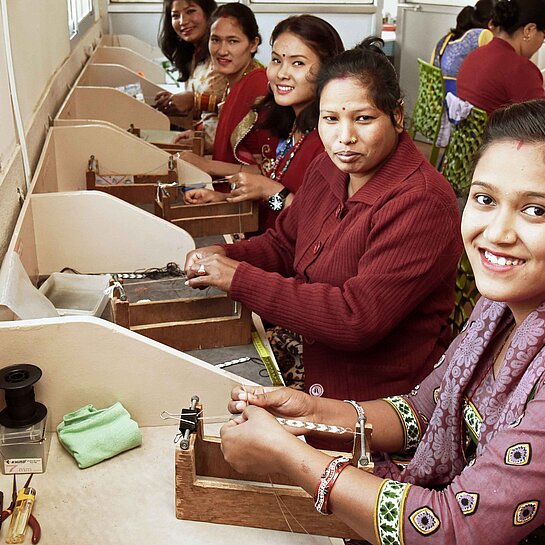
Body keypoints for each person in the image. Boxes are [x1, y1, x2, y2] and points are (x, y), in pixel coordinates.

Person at [220, 98, 545, 545]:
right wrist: (310, 413)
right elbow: (424, 410)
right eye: (485, 199)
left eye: (536, 210)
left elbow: (457, 528)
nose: (497, 233)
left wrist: (287, 455)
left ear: (396, 117)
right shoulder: (500, 307)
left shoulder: (420, 201)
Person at [184, 40, 462, 415]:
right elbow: (285, 245)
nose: (344, 137)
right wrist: (223, 254)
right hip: (312, 364)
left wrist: (239, 278)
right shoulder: (329, 167)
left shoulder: (422, 201)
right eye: (330, 119)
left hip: (377, 404)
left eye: (363, 119)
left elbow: (356, 319)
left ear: (397, 116)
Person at [180, 15, 344, 234]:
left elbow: (320, 226)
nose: (281, 73)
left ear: (328, 71)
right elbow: (278, 209)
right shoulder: (294, 130)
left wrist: (270, 189)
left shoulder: (329, 143)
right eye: (276, 60)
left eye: (298, 63)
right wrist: (225, 198)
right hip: (267, 247)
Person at [155, 0, 228, 152]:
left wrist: (194, 100)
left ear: (208, 13)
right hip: (201, 141)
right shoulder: (195, 54)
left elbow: (242, 104)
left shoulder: (224, 54)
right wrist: (176, 102)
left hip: (224, 149)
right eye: (175, 15)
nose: (183, 22)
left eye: (190, 11)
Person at [457, 0, 545, 113]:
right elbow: (540, 122)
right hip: (496, 130)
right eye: (543, 36)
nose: (541, 42)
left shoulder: (475, 55)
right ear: (529, 30)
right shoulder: (521, 69)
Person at [431, 0, 495, 95]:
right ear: (491, 22)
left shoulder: (447, 38)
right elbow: (496, 67)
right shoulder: (482, 34)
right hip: (461, 100)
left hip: (438, 98)